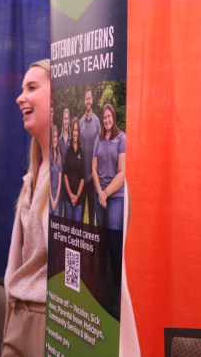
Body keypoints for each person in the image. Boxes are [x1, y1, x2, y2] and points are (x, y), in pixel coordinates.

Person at [2, 59, 50, 357]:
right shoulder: (34, 174)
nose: (20, 97)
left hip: (53, 322)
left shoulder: (84, 171)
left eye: (32, 87)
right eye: (22, 89)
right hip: (19, 317)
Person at [92, 104, 126, 292]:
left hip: (116, 197)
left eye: (108, 116)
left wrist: (106, 194)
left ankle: (118, 287)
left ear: (113, 117)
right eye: (104, 117)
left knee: (114, 243)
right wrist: (99, 193)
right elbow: (94, 169)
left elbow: (122, 174)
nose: (106, 120)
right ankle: (102, 280)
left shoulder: (121, 138)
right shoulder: (98, 139)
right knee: (101, 239)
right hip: (101, 195)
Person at [80, 87, 100, 225]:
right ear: (84, 101)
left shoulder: (97, 121)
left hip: (93, 178)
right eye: (86, 98)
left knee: (92, 217)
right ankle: (79, 246)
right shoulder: (80, 123)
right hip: (82, 177)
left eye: (89, 98)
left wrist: (96, 171)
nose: (88, 101)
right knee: (80, 216)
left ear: (92, 100)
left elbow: (100, 148)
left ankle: (92, 245)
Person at [62, 117, 85, 222]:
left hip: (78, 199)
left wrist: (76, 196)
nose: (75, 133)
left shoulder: (82, 152)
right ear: (72, 132)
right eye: (74, 130)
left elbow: (83, 178)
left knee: (77, 231)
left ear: (79, 133)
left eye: (77, 130)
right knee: (68, 231)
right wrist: (71, 195)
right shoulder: (68, 151)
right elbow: (65, 174)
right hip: (68, 198)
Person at [50, 124, 62, 217]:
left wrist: (56, 200)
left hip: (56, 198)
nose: (55, 139)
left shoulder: (59, 157)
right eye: (53, 136)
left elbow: (59, 181)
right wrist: (51, 200)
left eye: (56, 137)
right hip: (49, 198)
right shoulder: (49, 155)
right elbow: (48, 181)